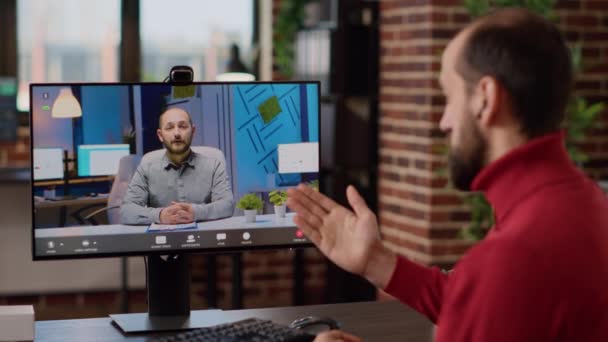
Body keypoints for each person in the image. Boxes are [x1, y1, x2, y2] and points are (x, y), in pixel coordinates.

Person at [288, 8, 608, 342]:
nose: (444, 122)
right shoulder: (587, 203)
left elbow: (489, 293)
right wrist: (376, 261)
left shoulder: (512, 258)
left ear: (485, 98)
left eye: (449, 97)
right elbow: (478, 303)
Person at [121, 107, 234, 225]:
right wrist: (159, 215)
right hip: (161, 240)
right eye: (169, 128)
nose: (177, 134)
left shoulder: (214, 164)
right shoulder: (147, 166)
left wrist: (196, 212)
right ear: (160, 135)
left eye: (183, 126)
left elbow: (227, 205)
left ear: (193, 131)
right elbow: (127, 210)